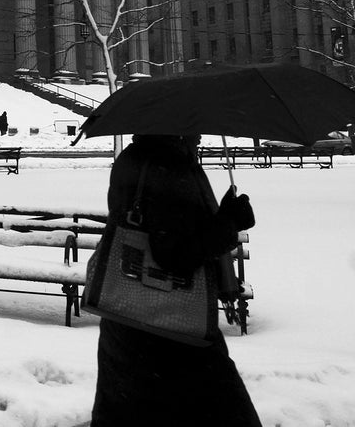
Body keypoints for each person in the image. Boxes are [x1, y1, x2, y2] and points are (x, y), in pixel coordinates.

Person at [90, 134, 261, 426]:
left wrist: (220, 218)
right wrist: (230, 223)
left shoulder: (134, 157)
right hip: (173, 329)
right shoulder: (169, 166)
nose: (199, 134)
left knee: (127, 412)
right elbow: (175, 254)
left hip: (126, 319)